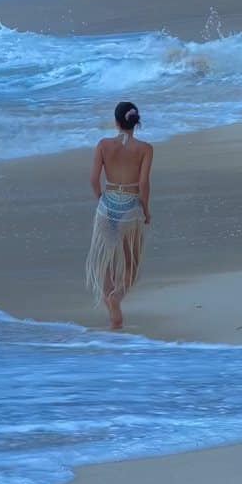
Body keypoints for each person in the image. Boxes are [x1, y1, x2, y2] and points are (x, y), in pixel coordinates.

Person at [85, 101, 153, 329]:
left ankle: (113, 314)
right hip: (130, 208)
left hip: (107, 206)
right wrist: (146, 208)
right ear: (136, 122)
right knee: (131, 262)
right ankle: (117, 296)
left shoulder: (103, 145)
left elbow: (94, 180)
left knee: (105, 260)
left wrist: (101, 200)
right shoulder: (145, 149)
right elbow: (143, 184)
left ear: (116, 122)